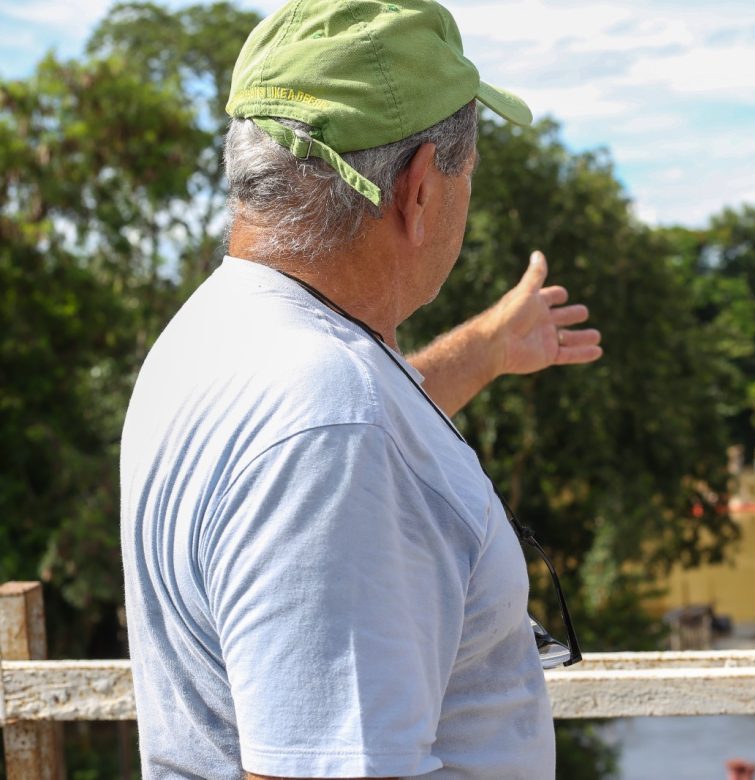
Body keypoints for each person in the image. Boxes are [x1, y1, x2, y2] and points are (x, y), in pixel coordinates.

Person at [119, 1, 601, 777]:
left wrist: (480, 350)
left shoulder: (215, 333)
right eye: (466, 172)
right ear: (418, 190)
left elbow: (339, 434)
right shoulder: (334, 426)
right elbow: (339, 440)